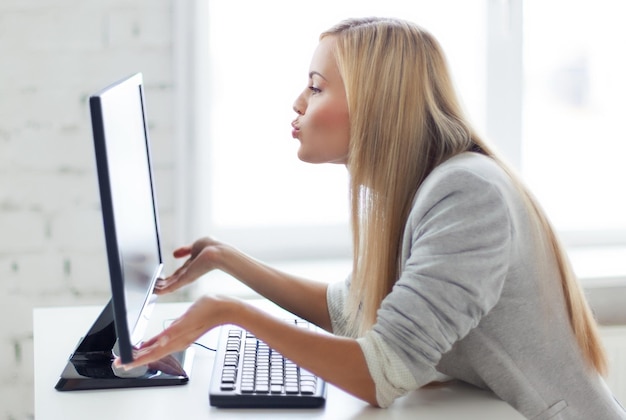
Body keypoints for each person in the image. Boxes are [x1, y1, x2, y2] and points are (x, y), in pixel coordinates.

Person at [119, 17, 626, 419]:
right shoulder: (423, 189)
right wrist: (230, 262)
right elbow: (349, 311)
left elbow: (381, 374)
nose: (298, 102)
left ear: (375, 105)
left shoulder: (467, 194)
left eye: (316, 88)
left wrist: (232, 313)